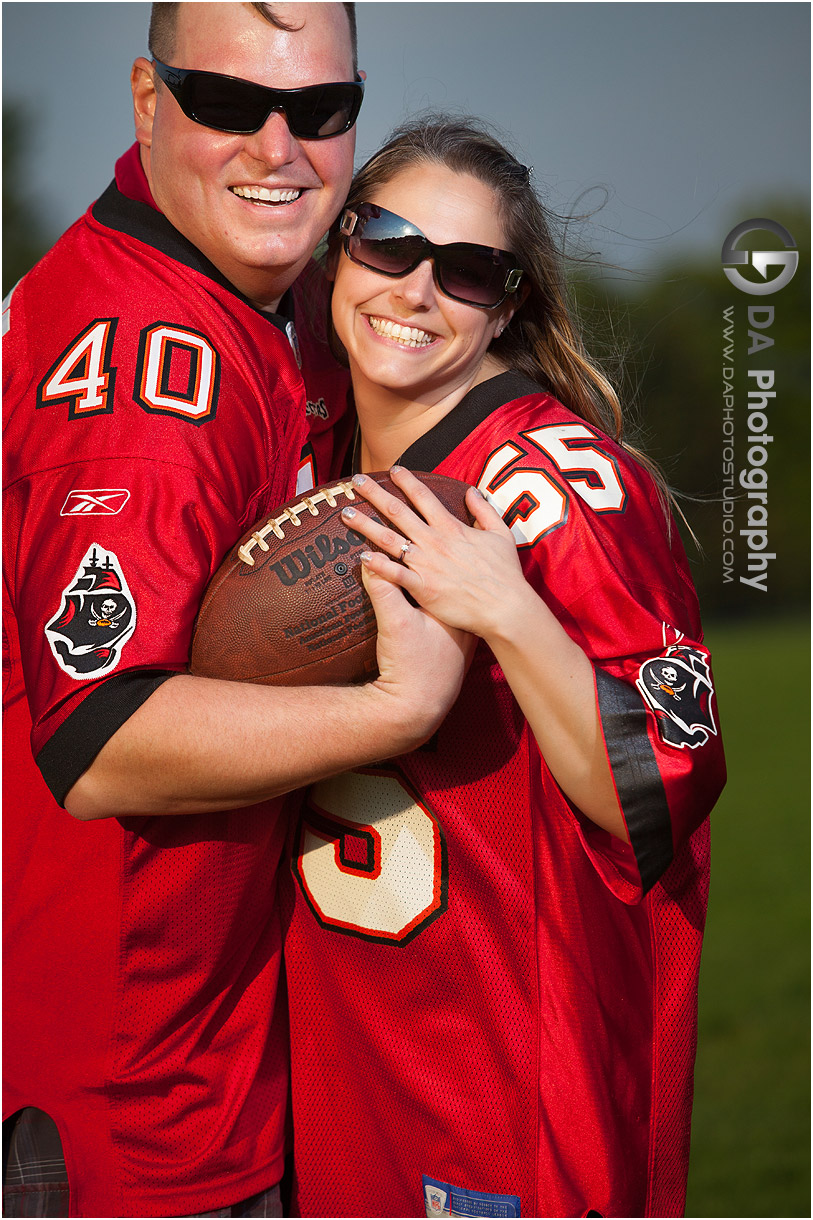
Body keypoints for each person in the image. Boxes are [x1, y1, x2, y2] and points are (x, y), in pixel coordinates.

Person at [2, 10, 470, 1217]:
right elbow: (102, 740)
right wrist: (398, 707)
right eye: (225, 102)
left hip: (203, 1049)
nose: (280, 147)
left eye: (320, 112)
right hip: (124, 1094)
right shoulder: (149, 363)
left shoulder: (255, 299)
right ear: (148, 100)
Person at [282, 117, 727, 1219]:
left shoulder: (557, 484)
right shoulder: (311, 454)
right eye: (388, 242)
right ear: (338, 247)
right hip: (350, 1061)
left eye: (469, 269)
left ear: (509, 302)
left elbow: (663, 783)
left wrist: (507, 609)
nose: (416, 290)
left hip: (503, 1084)